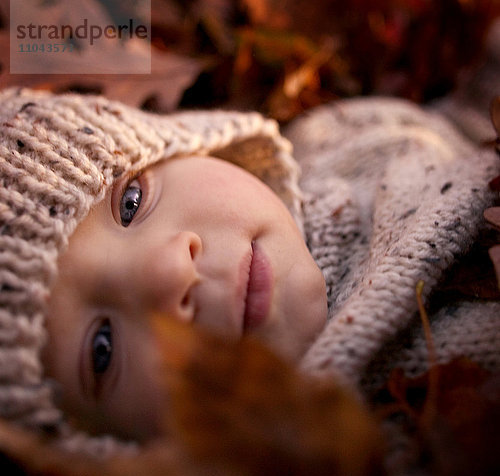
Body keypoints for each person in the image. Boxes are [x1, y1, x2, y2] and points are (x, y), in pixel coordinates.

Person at [1, 86, 499, 448]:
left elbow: (464, 111)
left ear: (184, 144)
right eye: (102, 351)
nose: (171, 270)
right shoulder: (375, 460)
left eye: (130, 202)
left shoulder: (337, 135)